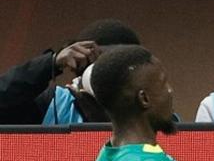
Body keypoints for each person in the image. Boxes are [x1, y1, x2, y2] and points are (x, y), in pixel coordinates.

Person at [0, 19, 140, 124]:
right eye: (100, 61)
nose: (112, 72)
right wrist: (51, 63)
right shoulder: (55, 103)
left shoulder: (151, 106)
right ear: (80, 66)